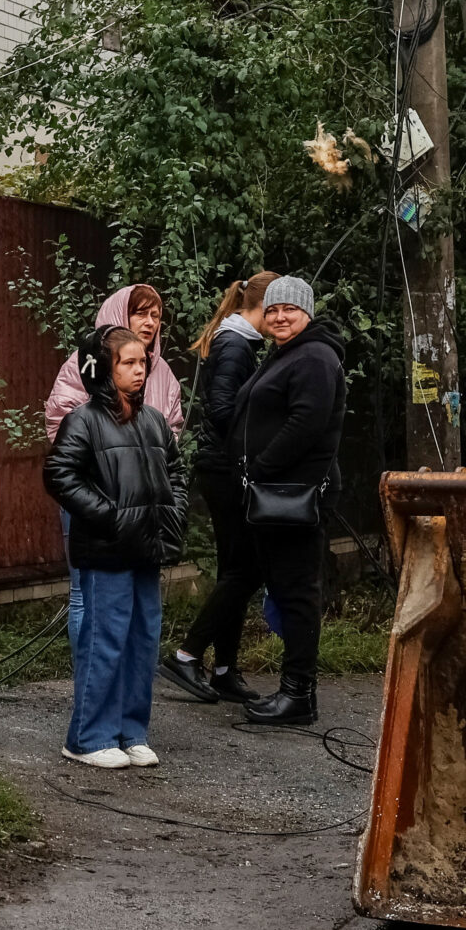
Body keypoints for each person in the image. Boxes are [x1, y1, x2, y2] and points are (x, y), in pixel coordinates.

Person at [45, 325, 187, 769]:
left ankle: (131, 731)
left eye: (142, 361)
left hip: (147, 548)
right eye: (128, 362)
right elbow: (60, 476)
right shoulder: (83, 420)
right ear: (104, 368)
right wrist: (111, 517)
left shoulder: (153, 421)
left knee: (143, 638)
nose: (139, 370)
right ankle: (88, 737)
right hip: (106, 550)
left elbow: (178, 473)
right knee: (104, 639)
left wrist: (171, 515)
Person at [160, 270, 280, 704]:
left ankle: (225, 670)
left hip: (226, 467)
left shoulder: (240, 341)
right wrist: (263, 439)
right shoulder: (235, 345)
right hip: (225, 469)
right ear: (263, 307)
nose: (282, 318)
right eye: (279, 309)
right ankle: (187, 655)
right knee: (245, 570)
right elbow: (223, 410)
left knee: (238, 569)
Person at [231, 275, 346, 726]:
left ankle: (298, 695)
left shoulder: (315, 356)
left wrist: (258, 468)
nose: (279, 316)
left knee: (298, 594)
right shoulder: (288, 353)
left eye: (290, 310)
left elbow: (307, 424)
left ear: (308, 314)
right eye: (273, 309)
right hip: (277, 495)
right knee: (286, 588)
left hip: (293, 494)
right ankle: (293, 690)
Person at [44, 283, 183, 437]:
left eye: (155, 315)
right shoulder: (86, 361)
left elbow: (173, 429)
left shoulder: (163, 371)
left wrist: (158, 457)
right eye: (141, 314)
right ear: (120, 314)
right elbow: (61, 420)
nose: (150, 322)